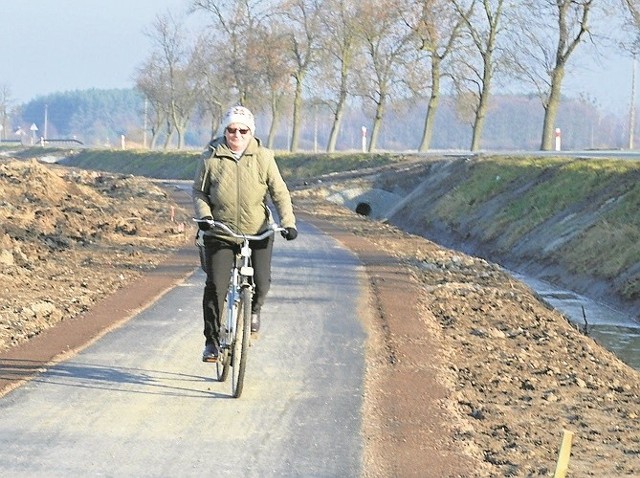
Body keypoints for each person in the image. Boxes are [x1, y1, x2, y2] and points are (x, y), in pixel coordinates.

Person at [192, 105, 298, 362]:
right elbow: (199, 192)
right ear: (225, 131)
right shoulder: (211, 157)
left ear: (251, 132)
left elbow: (279, 192)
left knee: (262, 282)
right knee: (216, 286)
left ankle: (254, 311)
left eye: (243, 130)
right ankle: (212, 342)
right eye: (231, 129)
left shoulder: (263, 157)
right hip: (221, 232)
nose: (236, 134)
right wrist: (206, 218)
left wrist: (288, 222)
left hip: (258, 231)